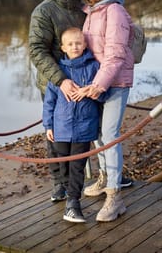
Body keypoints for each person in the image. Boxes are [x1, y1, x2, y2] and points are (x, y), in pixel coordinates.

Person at [72, 0, 135, 222]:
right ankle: (105, 178)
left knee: (109, 136)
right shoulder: (91, 12)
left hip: (115, 82)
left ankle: (115, 198)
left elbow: (116, 53)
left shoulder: (114, 10)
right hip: (97, 83)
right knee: (97, 134)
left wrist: (98, 85)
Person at [29, 0, 86, 202]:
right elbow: (37, 50)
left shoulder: (84, 9)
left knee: (83, 134)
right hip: (54, 84)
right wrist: (61, 81)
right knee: (56, 136)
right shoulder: (44, 10)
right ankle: (59, 183)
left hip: (83, 84)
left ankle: (79, 182)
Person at [43, 27, 110, 223]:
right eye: (70, 44)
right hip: (61, 128)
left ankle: (73, 202)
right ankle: (65, 188)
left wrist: (92, 91)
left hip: (84, 128)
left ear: (85, 45)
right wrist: (48, 126)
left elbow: (104, 94)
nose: (75, 47)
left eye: (78, 43)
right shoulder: (58, 72)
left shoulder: (94, 67)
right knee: (62, 162)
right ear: (63, 47)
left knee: (77, 166)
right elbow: (49, 102)